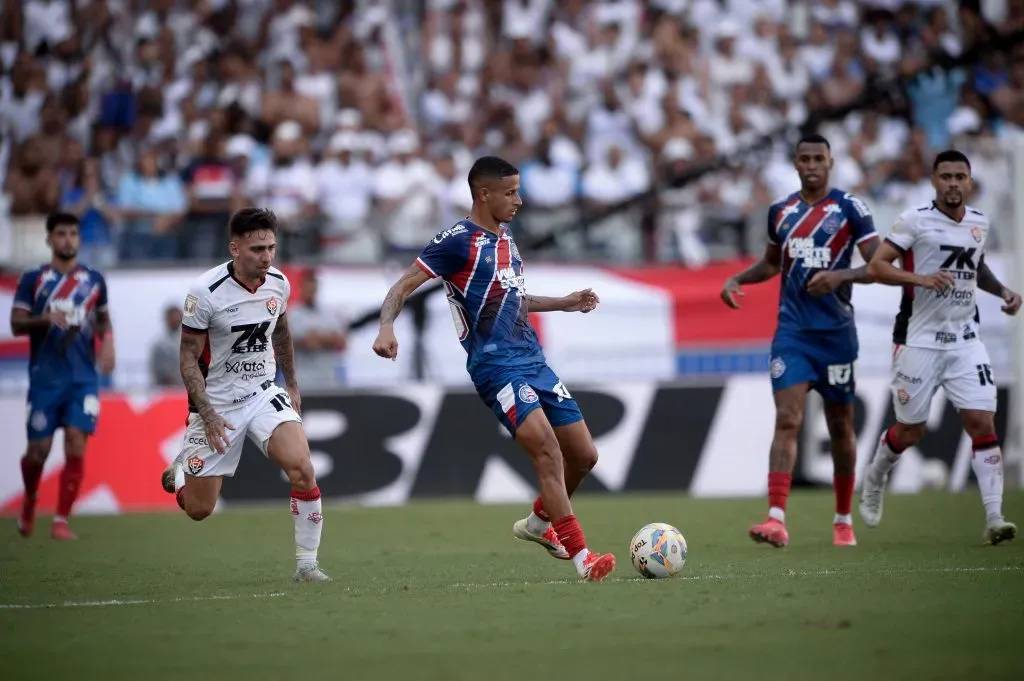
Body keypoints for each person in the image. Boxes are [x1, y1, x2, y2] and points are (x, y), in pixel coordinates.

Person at [372, 156, 616, 582]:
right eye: (511, 193)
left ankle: (540, 524)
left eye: (519, 191)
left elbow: (513, 299)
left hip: (534, 361)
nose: (519, 200)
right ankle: (583, 560)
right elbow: (403, 284)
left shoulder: (506, 240)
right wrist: (387, 326)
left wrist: (564, 301)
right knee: (548, 452)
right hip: (495, 367)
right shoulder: (456, 241)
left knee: (585, 455)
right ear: (483, 195)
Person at [720, 134, 879, 548]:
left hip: (837, 336)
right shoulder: (782, 212)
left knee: (840, 425)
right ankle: (775, 518)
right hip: (792, 334)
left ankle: (843, 518)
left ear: (831, 162)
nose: (811, 165)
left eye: (819, 159)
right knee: (788, 418)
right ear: (795, 164)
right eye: (805, 158)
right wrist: (739, 278)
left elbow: (879, 264)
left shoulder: (850, 209)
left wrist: (841, 276)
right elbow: (772, 264)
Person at [159, 208, 329, 582]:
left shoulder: (280, 283)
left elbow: (281, 333)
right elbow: (187, 357)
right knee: (199, 510)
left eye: (271, 247)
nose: (266, 257)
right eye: (256, 249)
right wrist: (205, 411)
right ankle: (183, 475)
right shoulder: (205, 292)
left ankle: (307, 565)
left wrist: (293, 384)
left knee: (303, 469)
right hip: (215, 404)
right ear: (235, 248)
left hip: (263, 392)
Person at [860, 149, 1020, 545]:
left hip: (966, 340)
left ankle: (994, 517)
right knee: (910, 430)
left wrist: (1002, 291)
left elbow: (975, 267)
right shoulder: (914, 220)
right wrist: (920, 279)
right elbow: (877, 266)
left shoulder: (979, 224)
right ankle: (877, 476)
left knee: (982, 423)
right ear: (934, 180)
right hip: (919, 339)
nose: (952, 183)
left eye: (959, 177)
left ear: (969, 182)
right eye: (945, 176)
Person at [11, 212, 116, 540]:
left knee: (75, 445)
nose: (68, 239)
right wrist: (45, 318)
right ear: (49, 240)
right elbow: (16, 324)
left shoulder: (94, 280)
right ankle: (29, 499)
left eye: (73, 233)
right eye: (61, 234)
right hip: (45, 379)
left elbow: (102, 320)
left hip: (82, 379)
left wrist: (108, 343)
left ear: (79, 239)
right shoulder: (34, 279)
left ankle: (60, 521)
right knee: (38, 452)